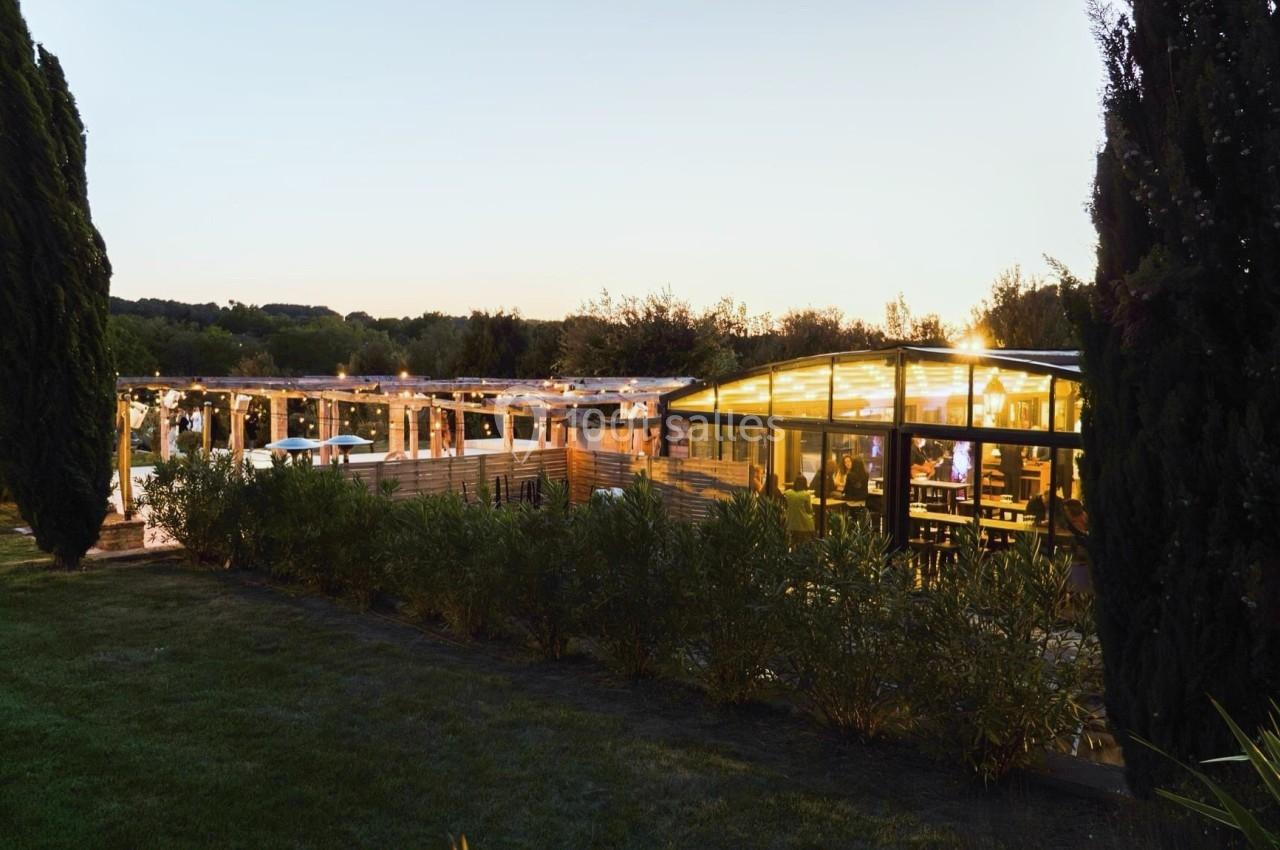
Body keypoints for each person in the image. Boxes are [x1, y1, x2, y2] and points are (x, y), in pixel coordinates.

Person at [781, 473, 815, 545]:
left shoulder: (787, 493)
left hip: (791, 523)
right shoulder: (806, 494)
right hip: (803, 524)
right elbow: (809, 510)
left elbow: (785, 506)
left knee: (793, 542)